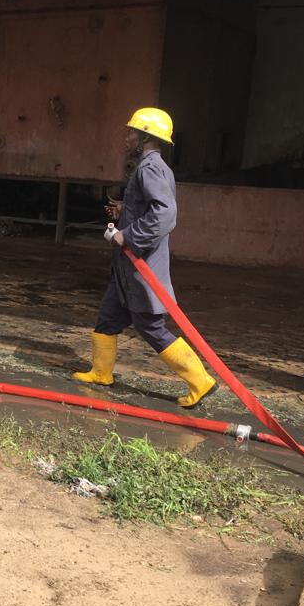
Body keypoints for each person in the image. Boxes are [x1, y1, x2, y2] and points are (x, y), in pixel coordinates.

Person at [73, 107, 217, 408]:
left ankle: (200, 381)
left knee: (149, 325)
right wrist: (124, 212)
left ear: (146, 137)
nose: (127, 137)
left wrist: (128, 235)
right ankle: (101, 373)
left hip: (141, 268)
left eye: (132, 132)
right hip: (126, 268)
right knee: (108, 316)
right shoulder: (147, 166)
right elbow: (148, 209)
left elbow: (164, 214)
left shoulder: (150, 169)